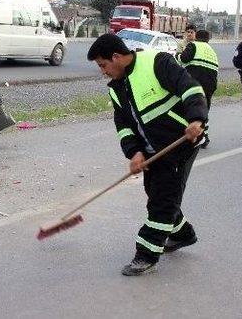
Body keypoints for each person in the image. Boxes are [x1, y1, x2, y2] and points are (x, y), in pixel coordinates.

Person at [87, 34, 207, 276]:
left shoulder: (156, 62)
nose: (103, 72)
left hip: (178, 145)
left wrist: (196, 118)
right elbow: (123, 125)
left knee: (161, 201)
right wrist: (134, 152)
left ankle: (146, 255)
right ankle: (183, 234)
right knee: (154, 192)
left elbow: (190, 87)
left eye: (103, 65)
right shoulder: (116, 89)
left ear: (116, 57)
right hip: (152, 151)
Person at [177, 29, 219, 148]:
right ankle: (204, 136)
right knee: (204, 110)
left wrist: (177, 55)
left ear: (196, 37)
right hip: (210, 85)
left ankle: (191, 135)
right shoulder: (212, 51)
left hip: (196, 83)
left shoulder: (193, 45)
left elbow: (184, 59)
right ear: (208, 39)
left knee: (191, 109)